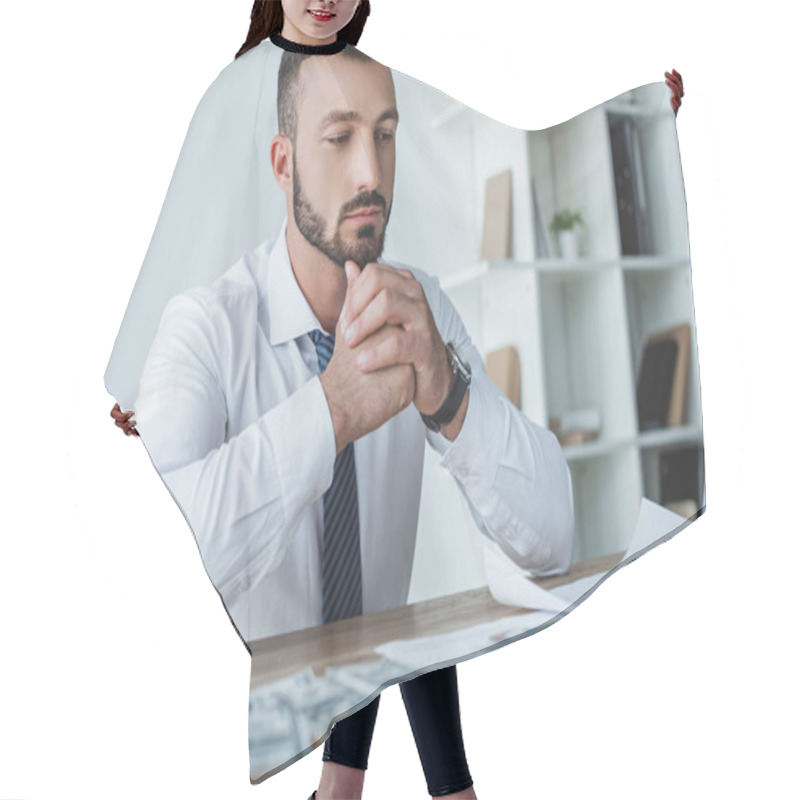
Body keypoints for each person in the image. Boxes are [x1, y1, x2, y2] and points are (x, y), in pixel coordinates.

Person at [108, 4, 686, 799]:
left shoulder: (415, 288)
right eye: (339, 137)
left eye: (382, 137)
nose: (371, 171)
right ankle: (371, 783)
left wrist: (625, 120)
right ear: (283, 161)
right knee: (364, 563)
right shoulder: (211, 290)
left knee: (404, 576)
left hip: (374, 531)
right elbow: (191, 218)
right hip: (242, 372)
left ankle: (370, 783)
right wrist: (158, 377)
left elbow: (482, 143)